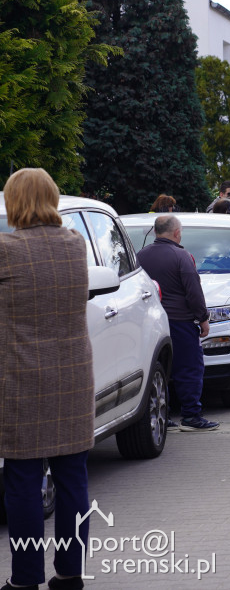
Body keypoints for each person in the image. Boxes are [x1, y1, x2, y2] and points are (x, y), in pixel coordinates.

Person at [1, 169, 94, 590]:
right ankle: (70, 573)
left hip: (21, 377)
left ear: (13, 202)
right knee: (73, 477)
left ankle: (25, 578)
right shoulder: (75, 245)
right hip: (72, 377)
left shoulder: (5, 249)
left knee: (22, 479)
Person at [136, 216, 219, 432]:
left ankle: (165, 414)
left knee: (161, 369)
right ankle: (191, 416)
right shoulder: (181, 256)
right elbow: (193, 289)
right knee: (190, 368)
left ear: (155, 232)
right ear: (176, 233)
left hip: (151, 322)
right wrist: (202, 318)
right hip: (180, 321)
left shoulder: (140, 256)